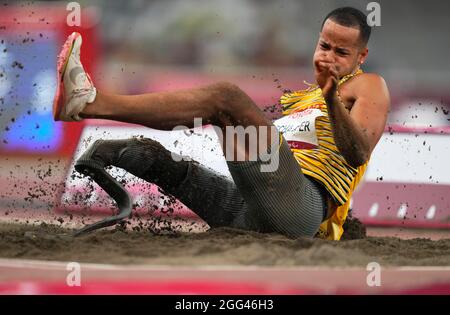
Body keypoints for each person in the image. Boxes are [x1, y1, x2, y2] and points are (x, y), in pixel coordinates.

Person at [53, 7, 390, 240]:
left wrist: (331, 98)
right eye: (324, 46)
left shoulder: (369, 85)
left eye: (341, 53)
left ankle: (90, 102)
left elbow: (358, 152)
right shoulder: (306, 100)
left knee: (227, 98)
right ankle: (96, 134)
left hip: (301, 210)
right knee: (152, 155)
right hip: (252, 213)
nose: (328, 57)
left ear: (361, 56)